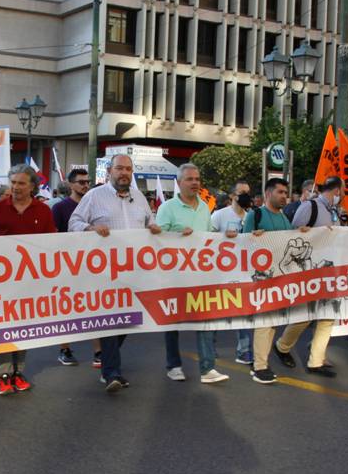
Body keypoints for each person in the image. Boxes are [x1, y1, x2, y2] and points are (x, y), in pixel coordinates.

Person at [69, 153, 162, 393]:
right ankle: (112, 373)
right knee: (111, 320)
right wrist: (90, 227)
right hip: (105, 273)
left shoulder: (139, 197)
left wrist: (152, 227)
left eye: (128, 169)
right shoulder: (94, 196)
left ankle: (107, 362)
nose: (124, 173)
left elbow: (149, 221)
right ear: (109, 171)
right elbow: (74, 223)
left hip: (135, 272)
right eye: (119, 168)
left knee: (128, 321)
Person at [157, 164, 231, 384]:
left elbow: (208, 237)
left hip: (200, 274)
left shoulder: (205, 208)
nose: (195, 183)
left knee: (205, 320)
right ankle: (174, 366)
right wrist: (177, 233)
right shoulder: (167, 208)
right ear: (179, 182)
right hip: (174, 275)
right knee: (173, 323)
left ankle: (207, 368)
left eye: (197, 179)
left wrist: (225, 237)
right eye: (190, 179)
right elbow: (157, 238)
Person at [0, 163, 57, 395]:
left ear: (32, 186)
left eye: (21, 183)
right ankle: (3, 374)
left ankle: (18, 372)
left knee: (24, 327)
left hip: (31, 280)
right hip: (2, 281)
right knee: (3, 327)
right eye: (13, 182)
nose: (15, 187)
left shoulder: (44, 211)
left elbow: (52, 242)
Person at [265, 176, 342, 378]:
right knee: (305, 315)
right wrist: (303, 232)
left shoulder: (332, 211)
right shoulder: (310, 206)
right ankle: (282, 346)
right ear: (337, 191)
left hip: (327, 268)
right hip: (308, 270)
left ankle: (316, 362)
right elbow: (292, 235)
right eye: (341, 192)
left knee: (327, 316)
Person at [241, 178, 310, 383]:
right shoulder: (255, 215)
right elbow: (243, 246)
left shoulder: (284, 218)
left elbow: (289, 242)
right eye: (280, 192)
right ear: (268, 193)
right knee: (266, 321)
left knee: (304, 314)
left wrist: (301, 233)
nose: (284, 197)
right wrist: (253, 237)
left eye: (285, 193)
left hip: (284, 277)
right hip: (263, 278)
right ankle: (260, 366)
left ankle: (281, 347)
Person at [50, 167, 99, 367]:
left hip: (92, 265)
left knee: (95, 307)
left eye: (88, 182)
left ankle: (98, 351)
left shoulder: (94, 206)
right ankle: (65, 349)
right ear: (71, 184)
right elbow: (52, 236)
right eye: (81, 182)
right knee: (66, 309)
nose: (86, 185)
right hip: (67, 265)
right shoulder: (60, 208)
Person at [211, 180, 254, 364]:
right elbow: (206, 239)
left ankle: (243, 350)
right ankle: (209, 347)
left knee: (243, 311)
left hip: (243, 271)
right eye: (242, 192)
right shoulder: (219, 215)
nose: (246, 196)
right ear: (232, 196)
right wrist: (223, 237)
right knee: (216, 310)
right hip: (221, 272)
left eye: (248, 192)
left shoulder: (252, 216)